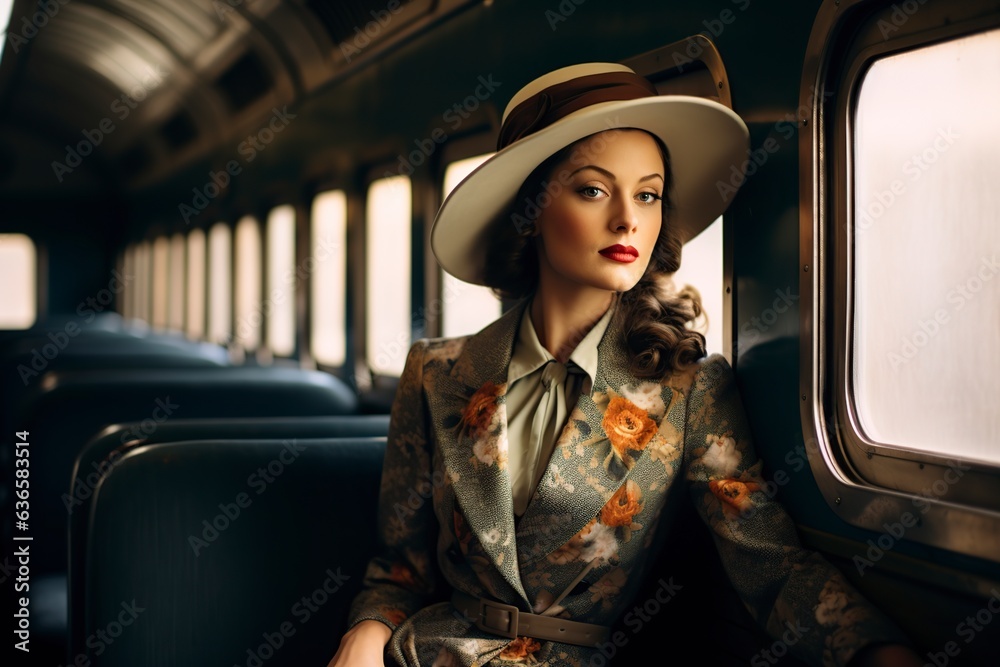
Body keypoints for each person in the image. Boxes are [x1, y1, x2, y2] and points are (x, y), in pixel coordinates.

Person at [328, 63, 922, 667]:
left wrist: (875, 650)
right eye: (592, 189)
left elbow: (767, 563)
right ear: (531, 209)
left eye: (647, 194)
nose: (626, 218)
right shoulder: (435, 373)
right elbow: (399, 570)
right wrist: (367, 633)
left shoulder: (684, 387)